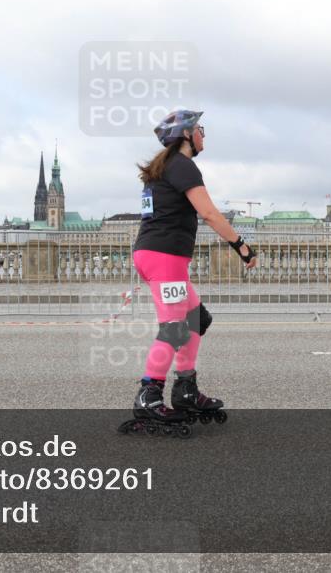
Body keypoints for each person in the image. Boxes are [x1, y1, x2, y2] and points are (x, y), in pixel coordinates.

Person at [130, 109, 257, 425]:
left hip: (157, 255)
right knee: (174, 328)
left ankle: (185, 389)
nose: (203, 134)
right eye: (200, 128)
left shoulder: (164, 168)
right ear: (186, 134)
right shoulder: (182, 167)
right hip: (165, 258)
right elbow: (211, 214)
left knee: (196, 319)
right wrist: (241, 246)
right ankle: (150, 394)